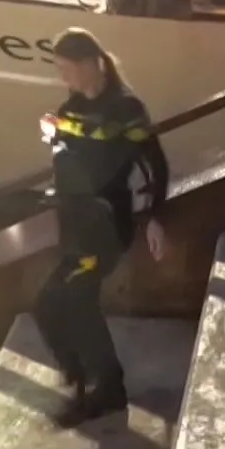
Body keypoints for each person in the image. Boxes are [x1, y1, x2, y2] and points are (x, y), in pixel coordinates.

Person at [33, 29, 169, 428]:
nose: (64, 79)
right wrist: (53, 135)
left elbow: (153, 165)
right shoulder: (70, 108)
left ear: (92, 63)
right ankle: (81, 374)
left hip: (109, 224)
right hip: (76, 224)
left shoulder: (126, 108)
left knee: (77, 299)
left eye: (68, 69)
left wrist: (154, 217)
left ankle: (108, 388)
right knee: (46, 304)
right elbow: (67, 151)